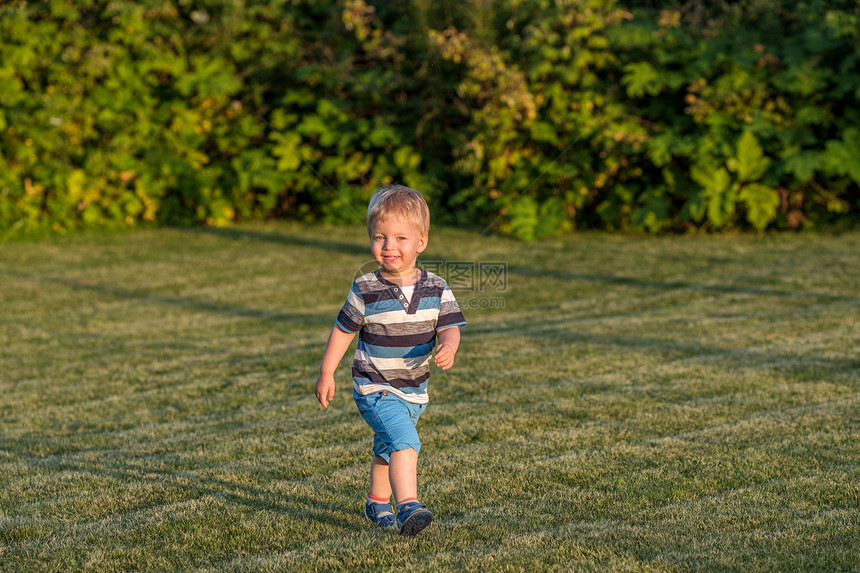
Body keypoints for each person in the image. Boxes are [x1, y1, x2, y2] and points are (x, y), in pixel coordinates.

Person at [315, 184, 466, 536]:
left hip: (414, 389)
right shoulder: (366, 288)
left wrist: (449, 346)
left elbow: (450, 326)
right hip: (375, 386)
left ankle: (377, 502)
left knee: (387, 447)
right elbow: (343, 331)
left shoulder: (437, 287)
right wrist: (327, 372)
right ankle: (408, 505)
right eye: (380, 237)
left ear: (420, 242)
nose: (389, 246)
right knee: (405, 442)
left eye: (400, 238)